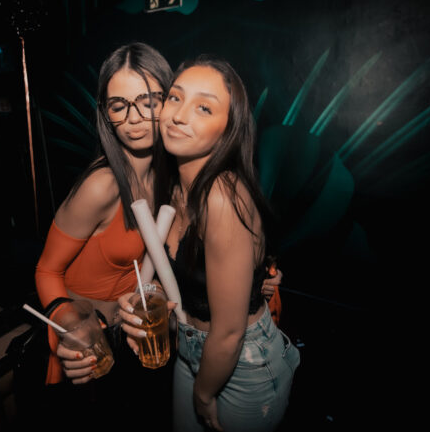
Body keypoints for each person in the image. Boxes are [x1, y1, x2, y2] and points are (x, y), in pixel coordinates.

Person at [33, 42, 283, 429]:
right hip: (98, 337)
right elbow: (47, 271)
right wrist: (73, 326)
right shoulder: (103, 185)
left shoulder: (175, 180)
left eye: (149, 101)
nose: (134, 119)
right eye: (119, 105)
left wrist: (258, 274)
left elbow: (202, 254)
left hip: (150, 337)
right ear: (106, 114)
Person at [119, 55, 300, 432]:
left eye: (204, 107)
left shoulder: (222, 198)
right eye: (175, 98)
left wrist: (203, 395)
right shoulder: (174, 185)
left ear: (228, 129)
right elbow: (182, 278)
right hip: (192, 350)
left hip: (242, 363)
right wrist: (147, 300)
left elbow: (230, 332)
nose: (179, 115)